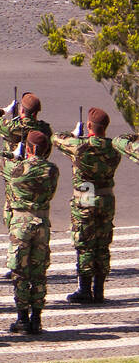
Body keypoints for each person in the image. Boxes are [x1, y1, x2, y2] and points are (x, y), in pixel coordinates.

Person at [0, 130, 59, 334]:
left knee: (20, 271)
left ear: (28, 148)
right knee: (38, 272)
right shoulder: (52, 170)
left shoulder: (18, 169)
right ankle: (36, 318)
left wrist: (13, 154)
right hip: (42, 223)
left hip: (21, 224)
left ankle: (22, 318)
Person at [52, 107, 123, 305]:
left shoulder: (81, 146)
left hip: (86, 194)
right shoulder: (113, 148)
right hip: (106, 197)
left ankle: (84, 289)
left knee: (84, 242)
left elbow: (56, 139)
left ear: (89, 126)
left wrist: (75, 133)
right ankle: (99, 290)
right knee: (102, 243)